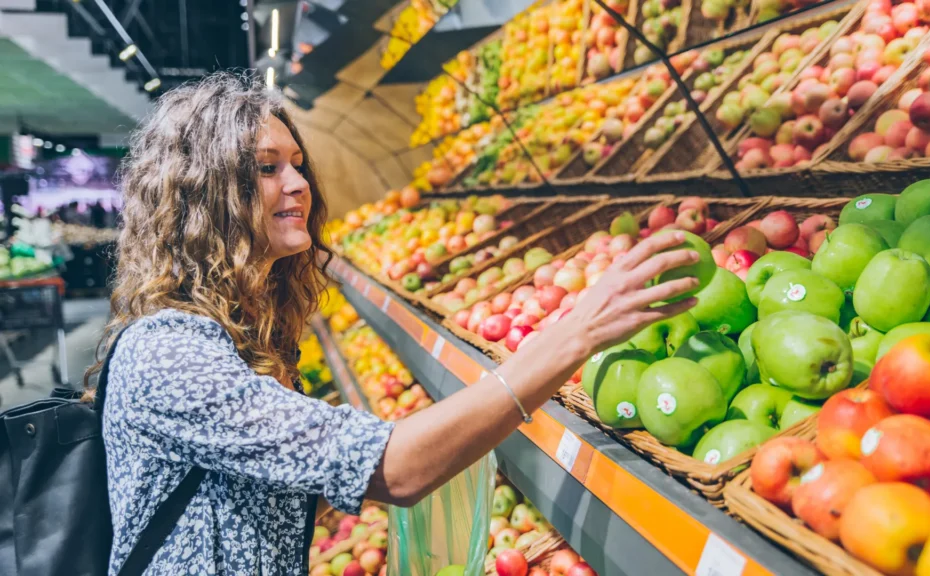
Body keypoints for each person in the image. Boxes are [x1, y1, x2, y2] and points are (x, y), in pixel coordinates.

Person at [94, 72, 702, 575]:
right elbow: (394, 468)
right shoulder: (168, 357)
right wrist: (575, 334)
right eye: (266, 168)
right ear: (204, 194)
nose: (300, 184)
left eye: (298, 165)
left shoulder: (245, 333)